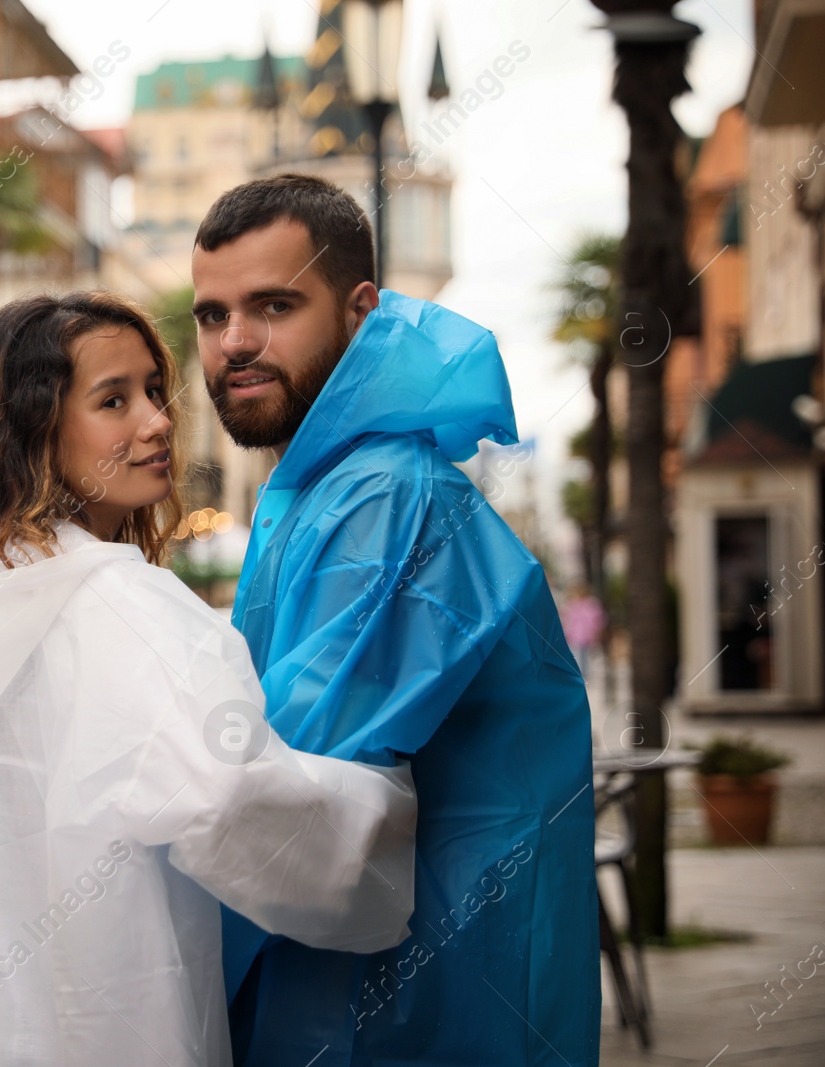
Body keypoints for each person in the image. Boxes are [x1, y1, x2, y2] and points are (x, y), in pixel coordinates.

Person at [0, 292, 419, 1067]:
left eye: (155, 392)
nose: (157, 421)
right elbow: (236, 804)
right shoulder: (126, 607)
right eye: (113, 400)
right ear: (33, 433)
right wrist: (399, 818)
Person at [188, 174, 598, 1066]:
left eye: (273, 305)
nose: (235, 343)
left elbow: (289, 794)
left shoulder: (384, 498)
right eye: (212, 315)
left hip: (412, 1009)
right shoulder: (330, 486)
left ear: (361, 309)